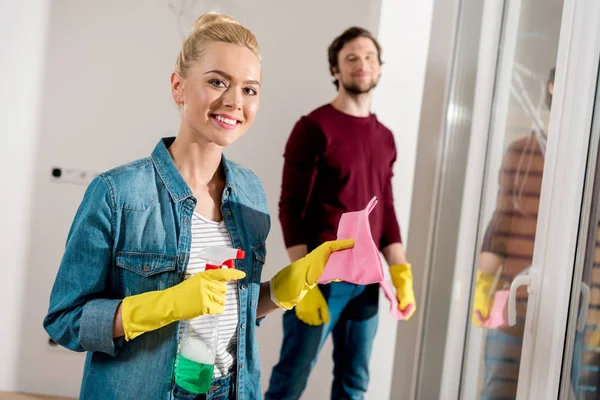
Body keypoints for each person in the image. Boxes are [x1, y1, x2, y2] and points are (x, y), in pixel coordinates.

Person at [43, 13, 352, 400]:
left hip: (231, 390)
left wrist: (288, 286)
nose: (234, 102)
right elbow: (65, 321)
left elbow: (231, 312)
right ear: (179, 87)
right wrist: (165, 304)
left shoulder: (249, 193)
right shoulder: (117, 193)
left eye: (249, 90)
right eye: (217, 81)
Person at [265, 26, 416, 400]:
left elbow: (387, 207)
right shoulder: (313, 128)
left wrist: (399, 269)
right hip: (322, 277)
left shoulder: (384, 137)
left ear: (379, 68)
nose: (361, 64)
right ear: (335, 70)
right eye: (350, 58)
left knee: (354, 384)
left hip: (367, 280)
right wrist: (303, 279)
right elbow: (290, 207)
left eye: (369, 57)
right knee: (291, 381)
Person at [472, 68, 556, 399]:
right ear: (551, 86)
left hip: (572, 311)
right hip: (516, 301)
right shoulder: (521, 152)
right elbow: (501, 222)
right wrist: (483, 285)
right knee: (499, 391)